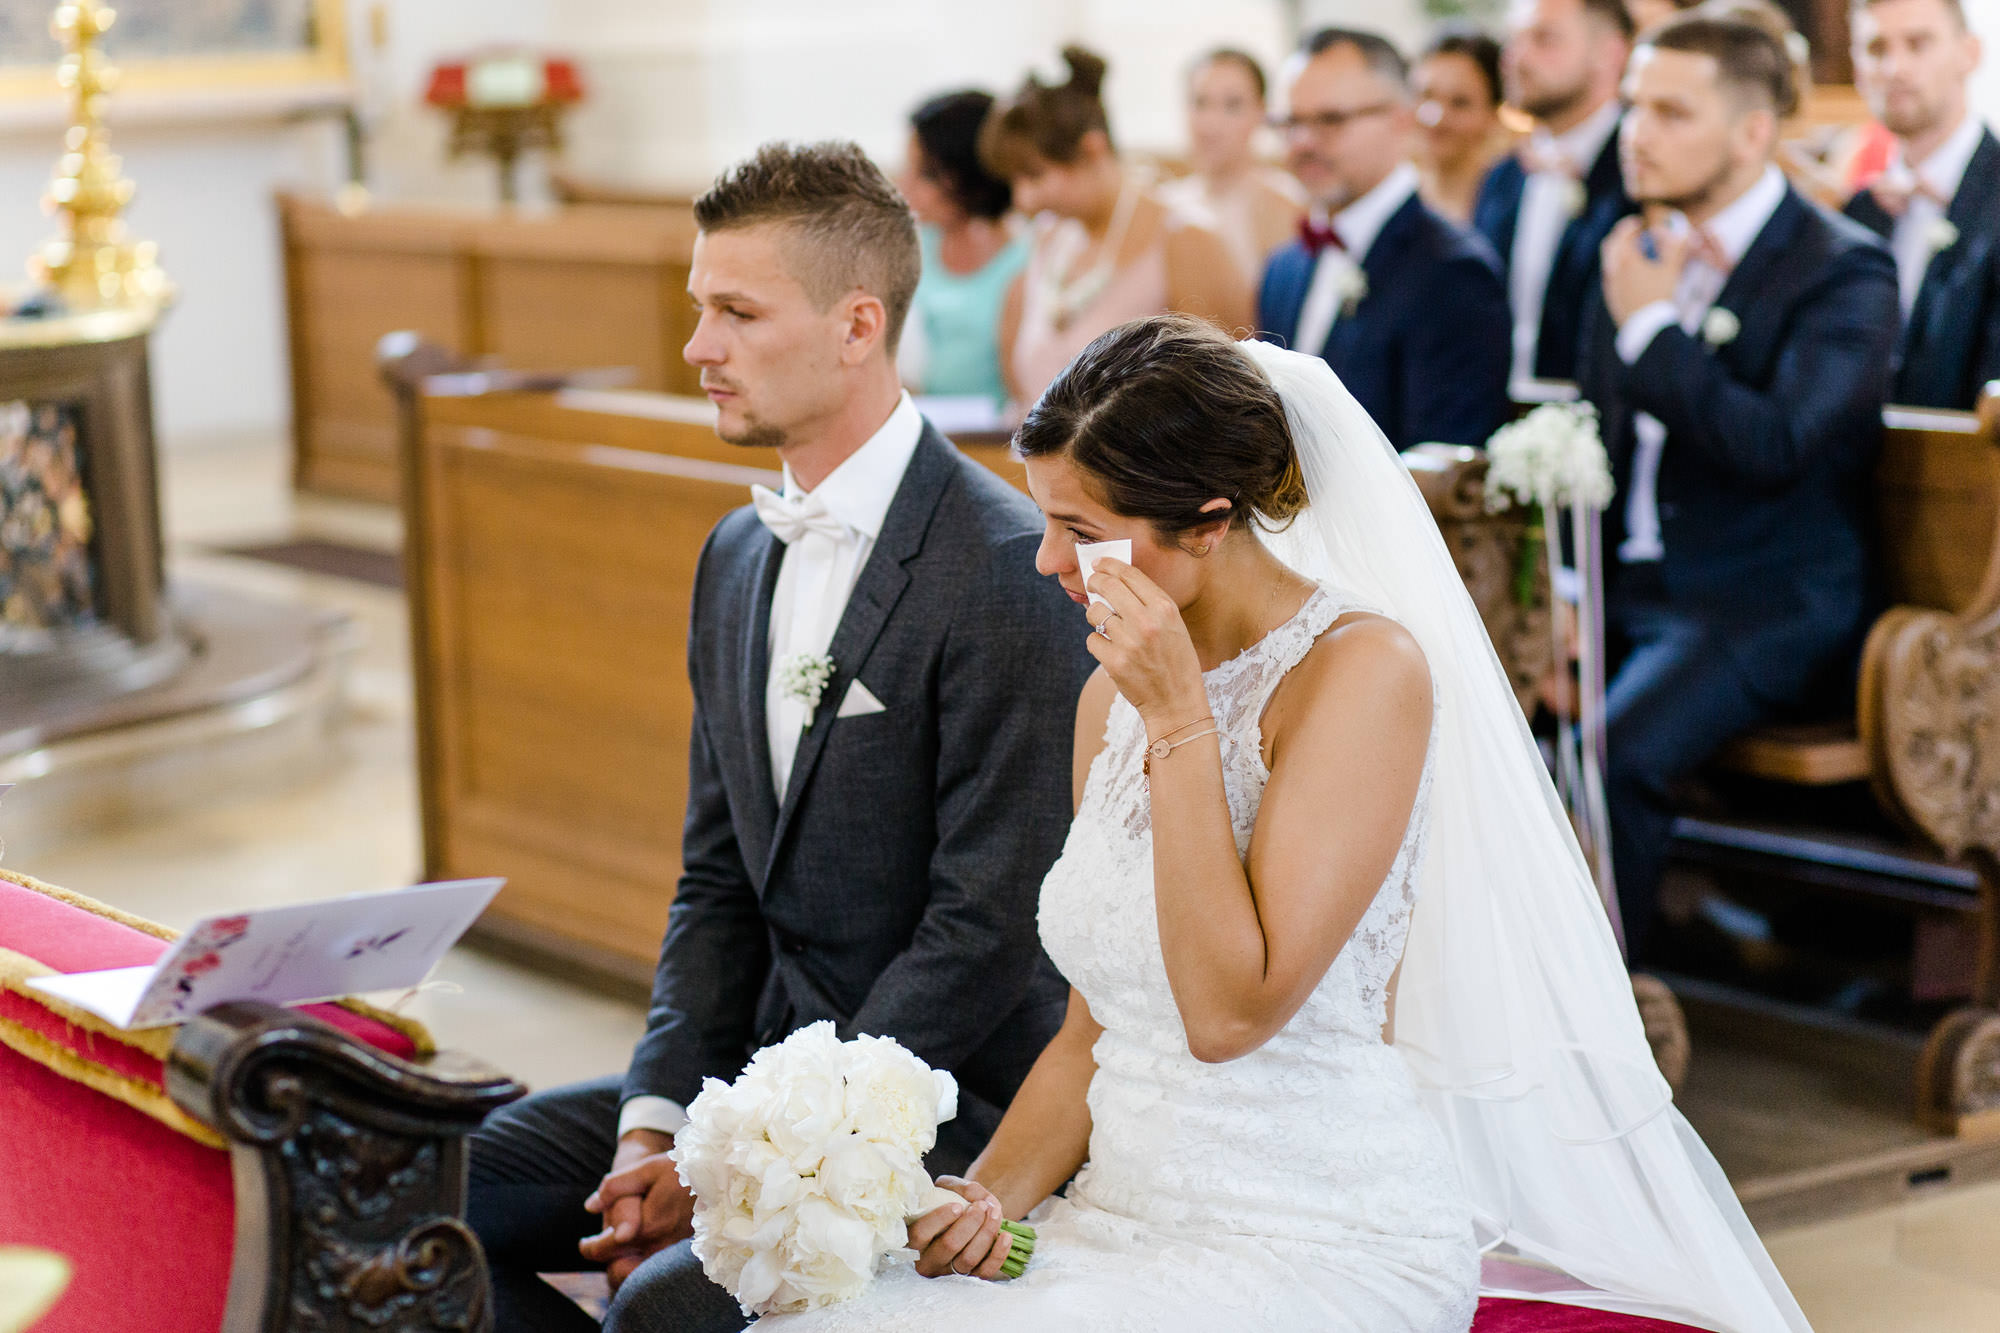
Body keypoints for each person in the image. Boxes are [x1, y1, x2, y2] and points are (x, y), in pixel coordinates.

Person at [759, 317, 1814, 1332]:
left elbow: (1227, 1016)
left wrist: (1180, 722)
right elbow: (1090, 1033)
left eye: (1079, 532)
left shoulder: (1361, 673)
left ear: (1210, 522)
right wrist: (986, 1198)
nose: (1047, 563)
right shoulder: (1105, 697)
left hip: (1317, 1234)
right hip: (1117, 1218)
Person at [465, 141, 1096, 1333]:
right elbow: (714, 882)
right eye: (698, 308)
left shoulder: (1002, 570)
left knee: (658, 1311)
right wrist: (656, 1122)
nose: (697, 347)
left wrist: (734, 1158)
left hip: (932, 1106)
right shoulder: (736, 555)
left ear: (857, 326)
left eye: (734, 312)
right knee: (414, 1206)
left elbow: (984, 936)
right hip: (749, 1068)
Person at [1578, 12, 1899, 962]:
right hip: (1632, 589)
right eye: (1633, 107)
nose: (1636, 133)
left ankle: (1602, 1030)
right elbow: (1591, 439)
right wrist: (1564, 598)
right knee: (1453, 710)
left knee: (1616, 752)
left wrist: (1651, 336)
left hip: (1763, 597)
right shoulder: (1625, 243)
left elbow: (1781, 444)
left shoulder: (1843, 269)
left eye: (1671, 112)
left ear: (1752, 132)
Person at [1257, 28, 1512, 450]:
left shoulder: (1454, 272)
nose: (1302, 142)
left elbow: (1442, 467)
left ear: (1400, 117)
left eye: (1330, 120)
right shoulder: (1283, 268)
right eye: (1291, 122)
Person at [985, 46, 1252, 408]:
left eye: (1035, 175)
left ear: (1092, 150)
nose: (1024, 200)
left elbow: (1225, 397)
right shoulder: (1050, 238)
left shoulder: (1185, 238)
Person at [1845, 0, 1999, 411]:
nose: (1895, 69)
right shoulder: (1857, 212)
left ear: (1970, 53)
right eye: (1876, 49)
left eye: (1918, 44)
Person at [1474, 0, 1636, 387]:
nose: (1516, 57)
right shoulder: (1503, 178)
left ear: (1609, 53)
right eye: (1513, 41)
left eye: (1543, 39)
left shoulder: (1641, 176)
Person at [896, 90, 1031, 409]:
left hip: (993, 438)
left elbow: (1023, 392)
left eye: (926, 175)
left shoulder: (1027, 259)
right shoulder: (910, 250)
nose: (905, 187)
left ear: (968, 176)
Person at [1157, 48, 1306, 290]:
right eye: (1200, 102)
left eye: (1232, 105)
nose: (1211, 123)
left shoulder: (1287, 204)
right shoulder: (1164, 202)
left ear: (1261, 112)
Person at [1412, 26, 1512, 224]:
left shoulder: (1512, 210)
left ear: (1494, 115)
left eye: (1460, 103)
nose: (1437, 118)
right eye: (1426, 96)